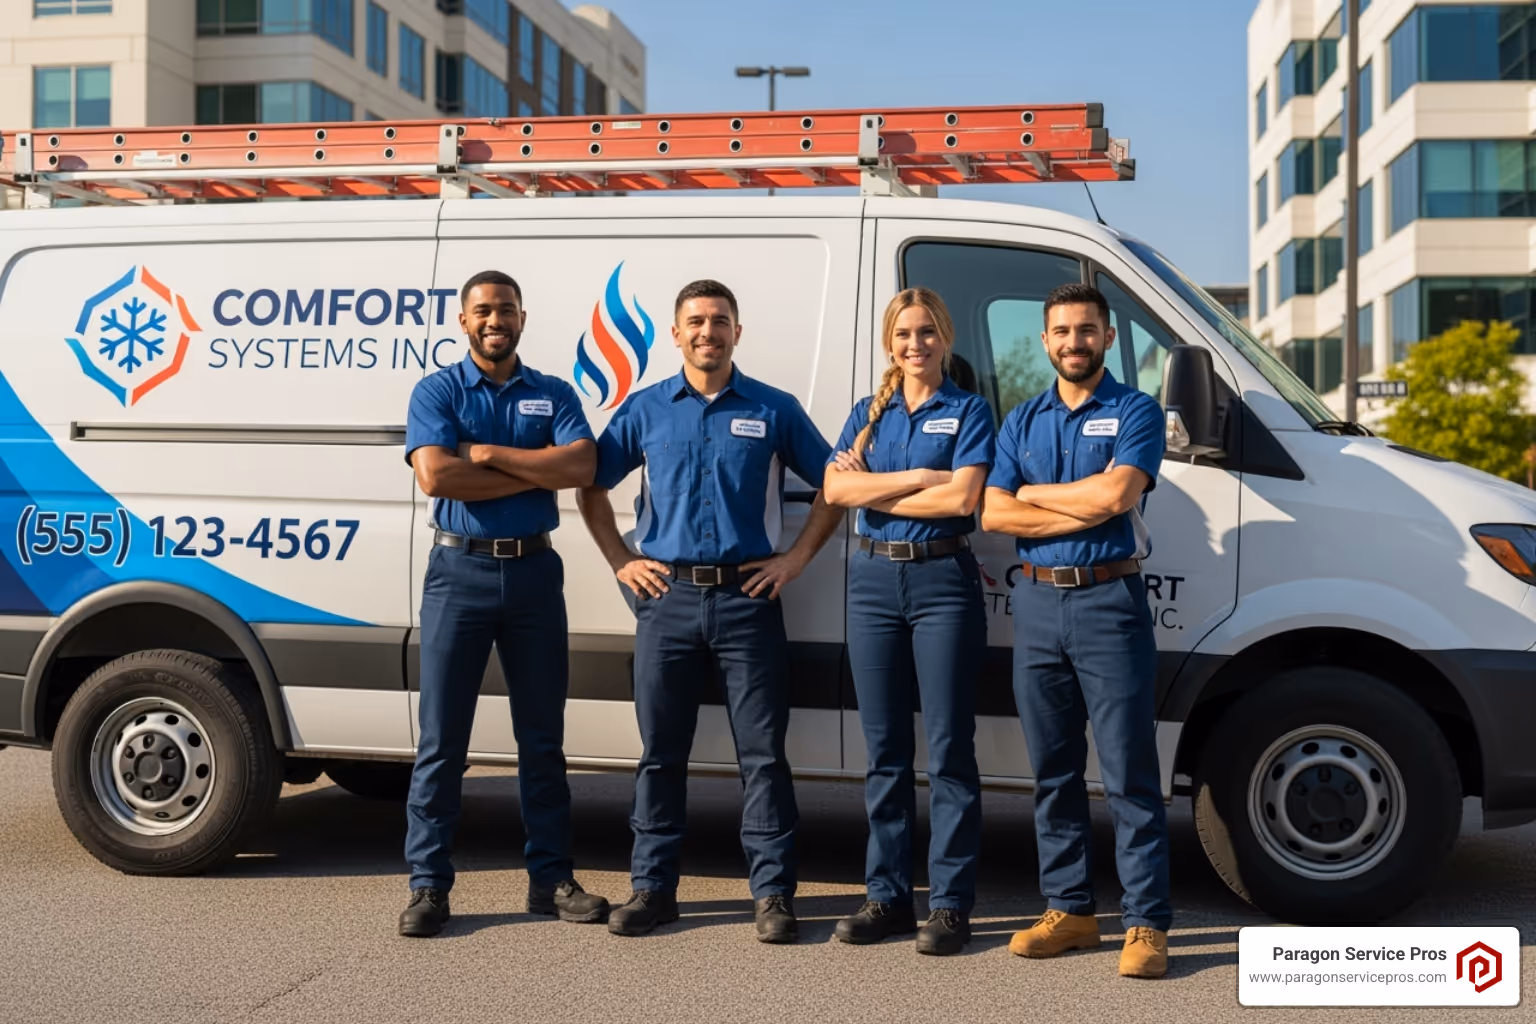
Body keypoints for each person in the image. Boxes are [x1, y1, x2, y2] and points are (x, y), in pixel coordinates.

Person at [577, 279, 842, 944]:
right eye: (695, 321)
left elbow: (836, 488)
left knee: (764, 757)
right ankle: (652, 889)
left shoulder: (773, 409)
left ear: (737, 333)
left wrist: (794, 560)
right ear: (675, 333)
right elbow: (590, 487)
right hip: (666, 602)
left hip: (747, 602)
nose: (707, 332)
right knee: (660, 755)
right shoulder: (645, 410)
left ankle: (774, 895)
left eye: (719, 321)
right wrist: (620, 560)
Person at [398, 270, 610, 938]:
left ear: (523, 317)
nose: (496, 320)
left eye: (507, 309)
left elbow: (580, 468)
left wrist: (486, 454)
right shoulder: (438, 389)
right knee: (442, 743)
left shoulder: (552, 392)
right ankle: (429, 887)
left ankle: (550, 880)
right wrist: (531, 466)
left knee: (542, 741)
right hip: (457, 571)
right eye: (484, 310)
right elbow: (435, 474)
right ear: (463, 321)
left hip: (533, 574)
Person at [979, 281, 1172, 979]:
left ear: (1108, 338)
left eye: (1086, 330)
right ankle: (1071, 910)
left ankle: (1146, 923)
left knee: (1128, 773)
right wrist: (1070, 508)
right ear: (1043, 341)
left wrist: (1031, 496)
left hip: (1107, 603)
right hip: (1035, 606)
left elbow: (1119, 495)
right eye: (1061, 332)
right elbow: (994, 515)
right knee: (1053, 773)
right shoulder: (1021, 420)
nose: (1073, 343)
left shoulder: (1136, 410)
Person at [822, 288, 994, 956]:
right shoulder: (870, 412)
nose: (914, 345)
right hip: (870, 581)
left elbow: (965, 497)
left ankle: (950, 905)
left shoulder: (969, 410)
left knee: (950, 750)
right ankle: (887, 897)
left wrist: (886, 485)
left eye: (926, 332)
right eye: (903, 334)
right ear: (889, 343)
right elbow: (835, 491)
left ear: (945, 338)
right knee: (885, 751)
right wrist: (922, 476)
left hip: (942, 580)